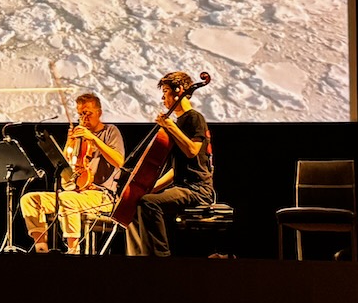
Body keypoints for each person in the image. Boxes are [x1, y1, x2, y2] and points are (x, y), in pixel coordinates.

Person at [22, 92, 125, 254]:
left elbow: (119, 161)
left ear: (99, 112)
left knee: (67, 199)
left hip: (102, 196)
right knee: (29, 199)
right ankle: (41, 249)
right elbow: (66, 171)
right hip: (77, 192)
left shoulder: (110, 131)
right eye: (80, 114)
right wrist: (70, 144)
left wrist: (93, 139)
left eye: (88, 113)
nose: (83, 118)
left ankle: (73, 251)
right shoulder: (79, 137)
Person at [125, 70, 214, 257]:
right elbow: (176, 170)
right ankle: (138, 257)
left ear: (179, 90)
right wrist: (149, 188)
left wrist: (170, 126)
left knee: (148, 203)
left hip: (197, 189)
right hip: (183, 187)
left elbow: (192, 150)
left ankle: (160, 259)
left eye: (165, 91)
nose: (163, 98)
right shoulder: (180, 122)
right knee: (136, 202)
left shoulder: (194, 118)